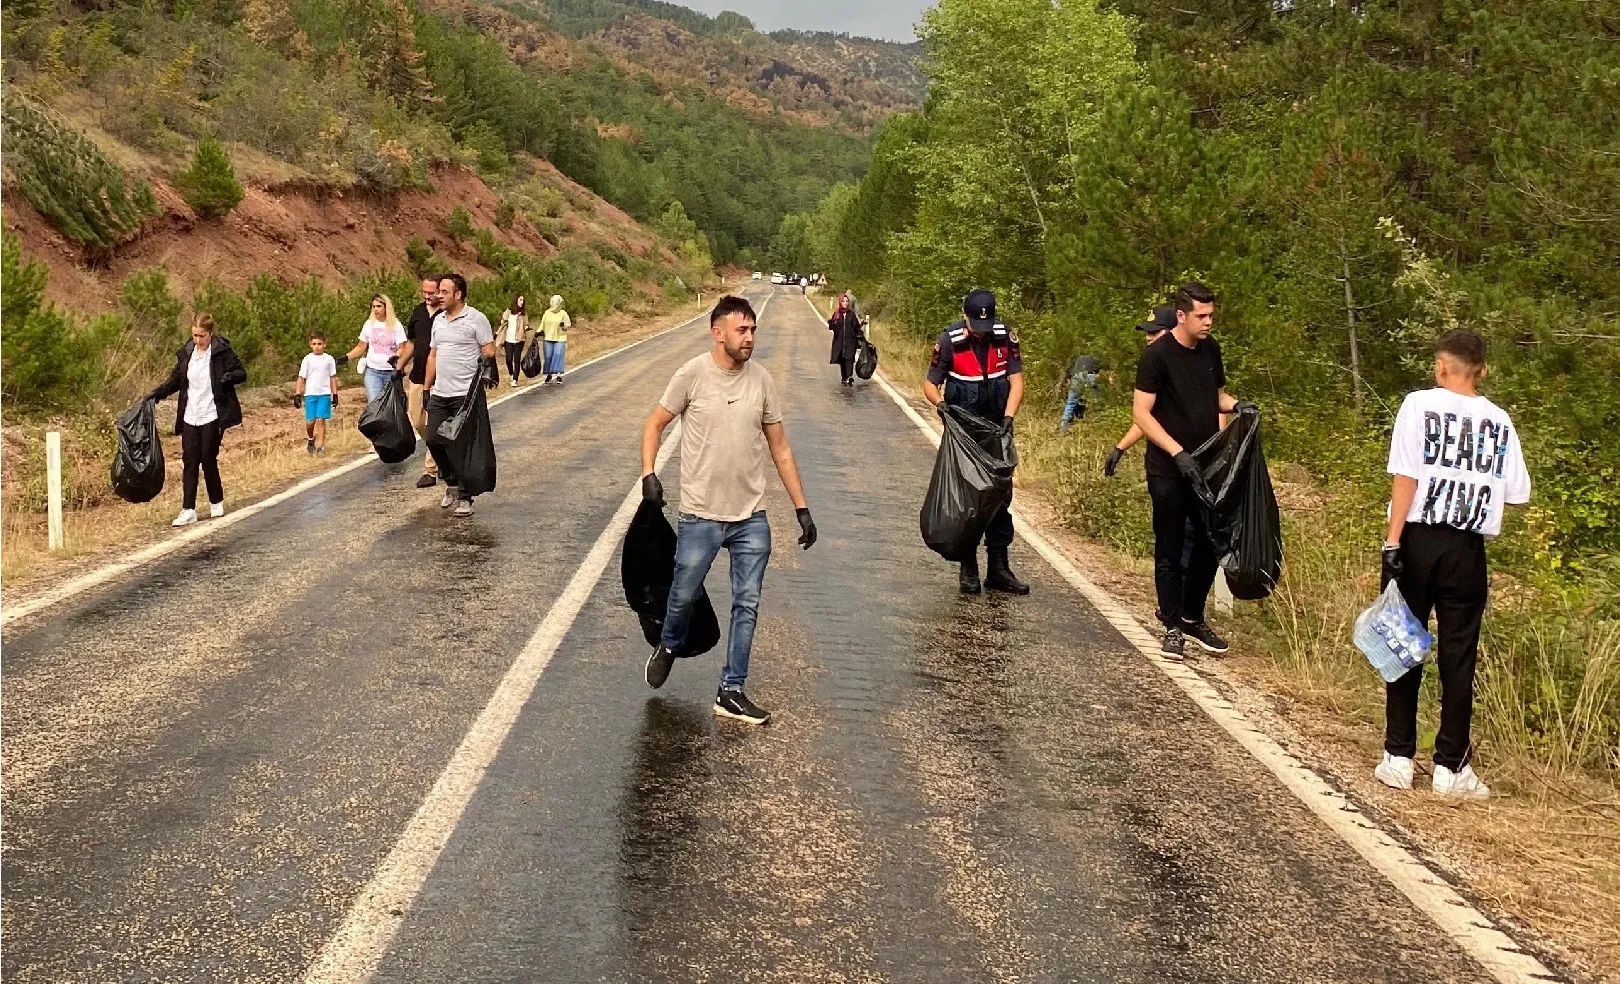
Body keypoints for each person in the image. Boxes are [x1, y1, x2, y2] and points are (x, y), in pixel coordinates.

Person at [639, 295, 817, 726]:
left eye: (753, 329)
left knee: (748, 604)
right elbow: (655, 423)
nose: (750, 337)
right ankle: (669, 643)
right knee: (681, 596)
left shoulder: (762, 381)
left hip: (750, 517)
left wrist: (802, 507)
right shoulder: (693, 374)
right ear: (718, 333)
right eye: (743, 330)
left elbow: (781, 448)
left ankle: (731, 690)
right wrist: (649, 474)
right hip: (700, 515)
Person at [1376, 329, 1530, 802]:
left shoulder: (1418, 405)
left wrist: (1392, 541)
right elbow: (1516, 492)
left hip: (1418, 538)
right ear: (1481, 369)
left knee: (1404, 643)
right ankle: (1451, 765)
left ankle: (1399, 757)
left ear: (1442, 366)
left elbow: (1406, 475)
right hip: (1467, 548)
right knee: (1459, 655)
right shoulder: (1499, 421)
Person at [1132, 282, 1249, 661]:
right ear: (1181, 316)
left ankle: (1191, 617)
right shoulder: (1157, 356)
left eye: (1211, 314)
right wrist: (1176, 451)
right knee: (1169, 545)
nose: (1208, 322)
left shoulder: (1211, 350)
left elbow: (1215, 396)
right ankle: (1170, 625)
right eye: (1201, 315)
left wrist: (1239, 407)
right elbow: (1141, 414)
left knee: (1208, 542)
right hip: (1168, 465)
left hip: (1206, 462)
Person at [922, 289, 1030, 596]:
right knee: (968, 503)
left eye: (986, 327)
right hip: (965, 435)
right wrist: (940, 404)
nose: (981, 335)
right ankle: (968, 568)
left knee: (999, 498)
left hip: (997, 430)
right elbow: (930, 383)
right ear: (965, 316)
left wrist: (1009, 417)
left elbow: (1017, 381)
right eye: (975, 327)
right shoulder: (949, 341)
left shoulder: (1005, 337)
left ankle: (998, 568)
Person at [146, 313, 247, 527]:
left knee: (208, 459)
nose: (198, 340)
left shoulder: (221, 351)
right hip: (190, 414)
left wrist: (229, 378)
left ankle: (216, 500)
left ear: (210, 333)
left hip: (212, 413)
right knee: (189, 461)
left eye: (202, 336)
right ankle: (188, 509)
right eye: (195, 335)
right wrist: (156, 394)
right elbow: (176, 380)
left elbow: (241, 372)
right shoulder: (188, 353)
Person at [424, 273, 497, 517]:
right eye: (438, 292)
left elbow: (489, 349)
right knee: (433, 439)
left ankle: (466, 497)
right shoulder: (438, 321)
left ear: (458, 294)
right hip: (441, 393)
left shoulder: (476, 319)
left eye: (444, 292)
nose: (438, 296)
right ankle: (452, 482)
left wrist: (484, 367)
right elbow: (433, 355)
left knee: (463, 445)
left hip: (466, 394)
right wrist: (427, 387)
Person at [1105, 306, 1177, 476]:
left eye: (1155, 332)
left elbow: (1214, 404)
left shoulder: (1193, 361)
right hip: (1164, 461)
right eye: (1147, 332)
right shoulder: (1153, 367)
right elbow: (1145, 418)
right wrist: (1120, 448)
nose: (1148, 337)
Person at [396, 277, 441, 489]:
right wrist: (400, 365)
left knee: (434, 424)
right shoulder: (418, 312)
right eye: (424, 291)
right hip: (417, 376)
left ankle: (430, 470)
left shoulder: (447, 314)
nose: (427, 296)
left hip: (440, 379)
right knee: (417, 421)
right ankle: (440, 450)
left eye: (431, 292)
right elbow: (412, 342)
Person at [343, 294, 408, 403]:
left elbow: (402, 347)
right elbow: (360, 347)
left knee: (391, 405)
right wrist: (346, 357)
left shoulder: (396, 325)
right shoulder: (369, 324)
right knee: (374, 404)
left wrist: (396, 357)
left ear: (386, 307)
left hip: (391, 372)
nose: (375, 309)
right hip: (373, 371)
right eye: (373, 306)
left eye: (379, 306)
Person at [296, 332, 339, 455]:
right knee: (310, 421)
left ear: (325, 344)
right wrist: (298, 393)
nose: (317, 347)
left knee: (321, 419)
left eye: (319, 344)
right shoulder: (307, 359)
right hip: (310, 394)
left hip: (324, 393)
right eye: (314, 344)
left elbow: (332, 377)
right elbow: (301, 377)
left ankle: (320, 447)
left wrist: (334, 394)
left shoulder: (329, 359)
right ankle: (310, 439)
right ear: (310, 344)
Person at [827, 291, 865, 386]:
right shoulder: (836, 315)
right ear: (840, 302)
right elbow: (832, 328)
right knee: (842, 359)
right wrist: (831, 322)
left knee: (849, 359)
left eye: (847, 301)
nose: (845, 303)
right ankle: (844, 377)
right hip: (839, 341)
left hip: (850, 341)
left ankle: (849, 376)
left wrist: (861, 335)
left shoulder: (851, 315)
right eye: (843, 301)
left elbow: (856, 327)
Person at [1059, 353, 1102, 431]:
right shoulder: (1096, 357)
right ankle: (1099, 422)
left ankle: (1063, 426)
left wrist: (1065, 382)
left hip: (1077, 376)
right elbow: (1101, 371)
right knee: (1098, 401)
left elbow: (1067, 372)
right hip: (1090, 375)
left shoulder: (1077, 360)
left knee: (1071, 403)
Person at [539, 294, 571, 384]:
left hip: (560, 337)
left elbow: (568, 324)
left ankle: (558, 374)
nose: (551, 303)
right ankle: (549, 374)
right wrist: (538, 331)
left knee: (558, 354)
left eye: (553, 301)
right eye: (551, 301)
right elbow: (543, 323)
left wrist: (563, 325)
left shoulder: (563, 313)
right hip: (548, 337)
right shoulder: (547, 313)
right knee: (548, 356)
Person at [499, 294, 529, 388]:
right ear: (516, 300)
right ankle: (511, 374)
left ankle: (515, 379)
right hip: (508, 339)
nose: (522, 302)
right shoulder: (508, 312)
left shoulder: (523, 314)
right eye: (520, 300)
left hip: (519, 339)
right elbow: (503, 323)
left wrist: (527, 328)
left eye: (523, 300)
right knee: (508, 359)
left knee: (516, 359)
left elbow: (526, 324)